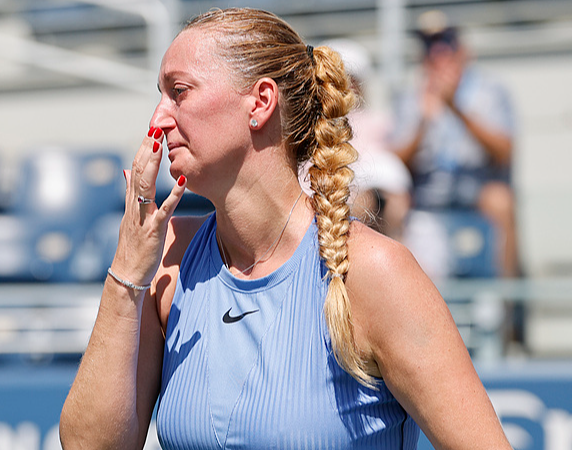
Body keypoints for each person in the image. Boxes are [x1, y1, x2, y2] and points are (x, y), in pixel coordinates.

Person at [60, 8, 510, 449]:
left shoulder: (373, 272)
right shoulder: (167, 256)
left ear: (260, 103)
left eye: (179, 91)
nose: (158, 119)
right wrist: (126, 274)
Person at [391, 10, 519, 277]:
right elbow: (396, 161)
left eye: (445, 44)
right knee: (393, 203)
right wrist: (422, 123)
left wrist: (455, 108)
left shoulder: (490, 90)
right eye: (429, 47)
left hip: (476, 194)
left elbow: (505, 151)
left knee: (501, 201)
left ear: (462, 51)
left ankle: (508, 308)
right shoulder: (410, 95)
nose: (438, 55)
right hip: (427, 200)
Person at [321, 38, 412, 241]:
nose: (347, 86)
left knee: (395, 206)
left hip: (376, 193)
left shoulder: (380, 121)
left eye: (352, 79)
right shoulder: (316, 126)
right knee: (360, 204)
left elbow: (389, 164)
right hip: (337, 200)